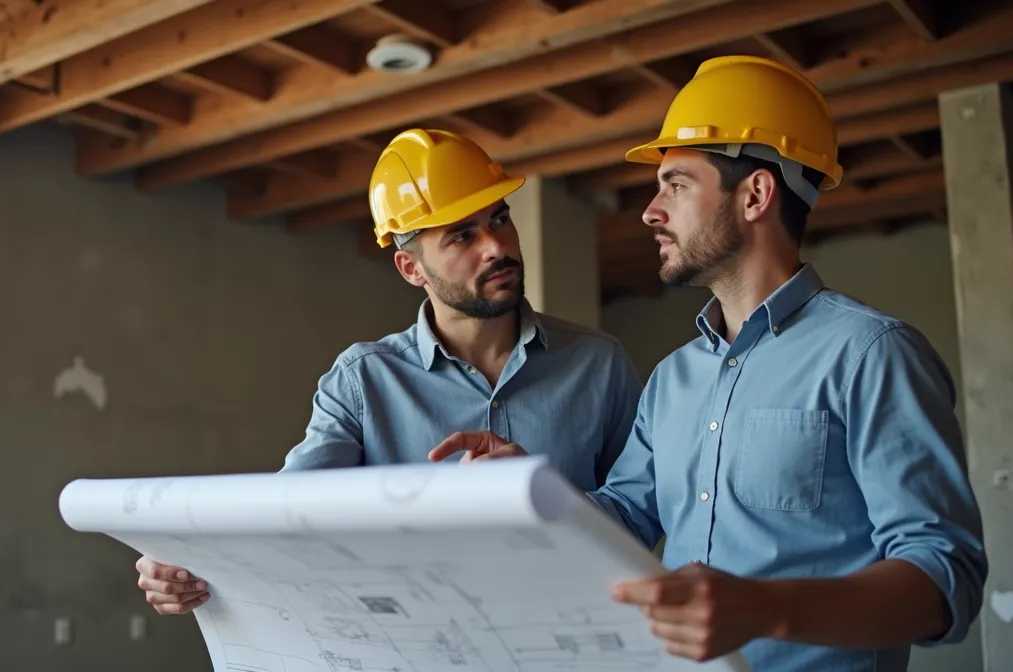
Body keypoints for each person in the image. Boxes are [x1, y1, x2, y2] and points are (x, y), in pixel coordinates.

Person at [429, 55, 988, 670]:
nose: (650, 210)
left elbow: (943, 579)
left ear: (755, 195)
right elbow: (624, 521)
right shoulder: (672, 380)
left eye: (677, 184)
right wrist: (530, 491)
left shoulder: (871, 355)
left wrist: (766, 608)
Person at [135, 128, 645, 616]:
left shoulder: (598, 363)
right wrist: (186, 557)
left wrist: (546, 499)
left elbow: (637, 516)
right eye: (462, 235)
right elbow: (287, 513)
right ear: (411, 269)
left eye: (499, 218)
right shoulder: (362, 382)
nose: (496, 246)